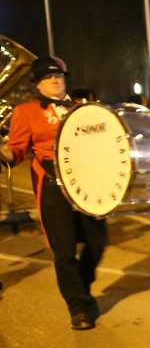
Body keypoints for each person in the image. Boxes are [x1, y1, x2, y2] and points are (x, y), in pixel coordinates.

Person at [0, 56, 107, 330]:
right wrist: (5, 153)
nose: (55, 80)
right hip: (51, 184)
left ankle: (81, 287)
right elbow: (18, 150)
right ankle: (78, 308)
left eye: (58, 76)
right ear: (37, 84)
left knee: (97, 243)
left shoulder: (83, 108)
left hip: (87, 182)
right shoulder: (26, 111)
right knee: (64, 251)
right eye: (48, 77)